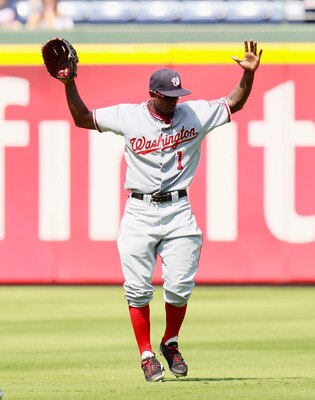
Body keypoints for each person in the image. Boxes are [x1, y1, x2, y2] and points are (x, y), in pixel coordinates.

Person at [58, 40, 262, 382]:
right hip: (139, 210)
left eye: (177, 95)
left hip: (179, 209)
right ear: (152, 94)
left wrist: (248, 76)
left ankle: (170, 341)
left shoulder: (193, 114)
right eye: (167, 96)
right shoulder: (129, 115)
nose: (173, 101)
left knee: (180, 285)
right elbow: (82, 117)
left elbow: (234, 103)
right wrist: (69, 83)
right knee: (137, 289)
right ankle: (146, 354)